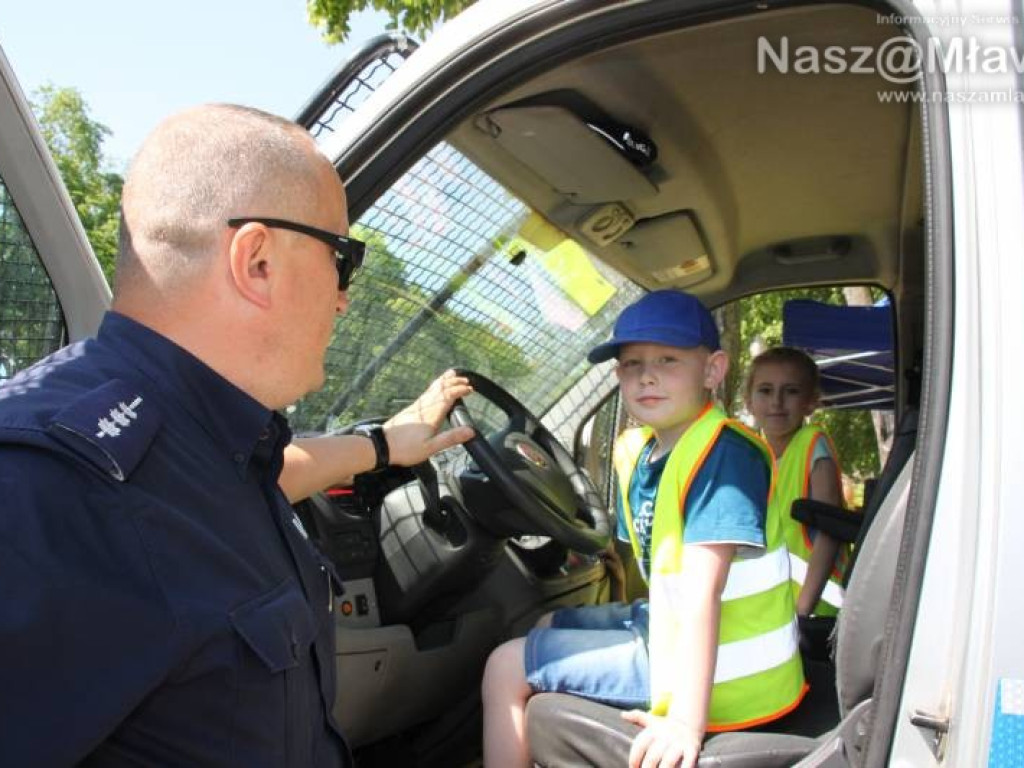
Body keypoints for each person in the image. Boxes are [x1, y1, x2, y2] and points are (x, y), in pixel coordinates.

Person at [0, 104, 473, 767]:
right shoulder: (40, 493)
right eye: (341, 258)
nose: (343, 297)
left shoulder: (200, 440)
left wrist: (385, 446)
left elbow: (261, 480)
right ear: (256, 261)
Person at [482, 290, 806, 768]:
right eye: (632, 364)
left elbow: (701, 594)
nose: (646, 376)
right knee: (547, 623)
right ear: (618, 376)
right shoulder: (646, 453)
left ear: (713, 370)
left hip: (727, 679)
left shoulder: (723, 456)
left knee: (504, 666)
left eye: (667, 360)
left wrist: (684, 723)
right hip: (672, 632)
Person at [745, 346, 848, 617]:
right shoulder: (749, 454)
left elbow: (830, 531)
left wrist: (803, 609)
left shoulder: (813, 445)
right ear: (748, 401)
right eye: (765, 391)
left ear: (810, 402)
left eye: (790, 391)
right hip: (768, 607)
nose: (776, 402)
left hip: (814, 609)